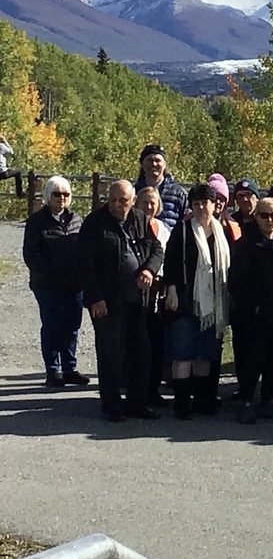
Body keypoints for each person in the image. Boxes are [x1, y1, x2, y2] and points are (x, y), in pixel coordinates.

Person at [79, 180, 164, 422]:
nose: (116, 205)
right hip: (108, 300)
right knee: (111, 354)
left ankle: (137, 403)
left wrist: (149, 270)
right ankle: (112, 404)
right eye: (113, 200)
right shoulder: (94, 223)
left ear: (133, 201)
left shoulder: (139, 219)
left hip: (137, 300)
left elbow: (156, 250)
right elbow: (85, 265)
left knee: (141, 352)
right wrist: (96, 298)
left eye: (122, 201)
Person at [164, 184, 232, 420]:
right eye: (196, 203)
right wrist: (171, 289)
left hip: (214, 303)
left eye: (206, 202)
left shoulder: (223, 232)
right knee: (183, 353)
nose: (202, 207)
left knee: (205, 353)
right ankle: (182, 404)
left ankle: (203, 401)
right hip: (185, 301)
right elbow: (171, 262)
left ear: (215, 205)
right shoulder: (182, 230)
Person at [227, 198, 273, 424]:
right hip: (253, 314)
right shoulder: (246, 244)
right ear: (256, 217)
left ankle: (270, 401)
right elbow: (236, 282)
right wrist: (254, 305)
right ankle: (246, 402)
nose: (269, 220)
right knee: (252, 359)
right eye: (264, 215)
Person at [22, 176, 86, 387]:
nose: (61, 198)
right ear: (48, 196)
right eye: (57, 194)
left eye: (65, 194)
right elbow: (31, 254)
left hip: (74, 284)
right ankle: (53, 370)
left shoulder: (77, 219)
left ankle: (70, 368)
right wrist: (51, 273)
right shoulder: (36, 221)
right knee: (51, 326)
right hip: (47, 284)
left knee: (72, 326)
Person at [135, 185, 171, 406]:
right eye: (145, 202)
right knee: (139, 344)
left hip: (160, 293)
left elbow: (169, 256)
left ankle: (153, 388)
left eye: (152, 202)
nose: (149, 206)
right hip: (139, 294)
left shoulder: (164, 229)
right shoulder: (132, 226)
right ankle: (137, 389)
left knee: (157, 344)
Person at [134, 144, 187, 231]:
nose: (154, 164)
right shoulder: (134, 191)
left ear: (165, 164)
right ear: (142, 164)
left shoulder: (179, 193)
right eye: (149, 160)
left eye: (157, 160)